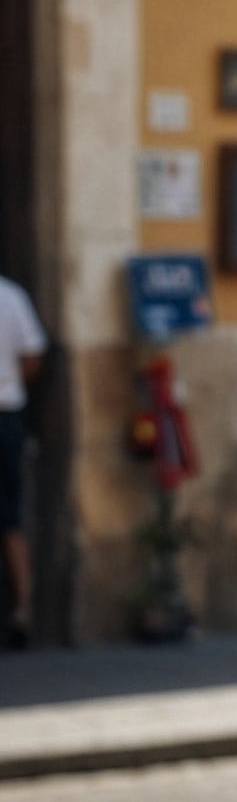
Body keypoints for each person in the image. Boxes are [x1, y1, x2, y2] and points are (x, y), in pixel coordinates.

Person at [0, 271, 46, 650]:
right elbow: (32, 355)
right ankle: (22, 610)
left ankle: (21, 611)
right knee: (10, 517)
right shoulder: (10, 296)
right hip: (6, 410)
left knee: (10, 515)